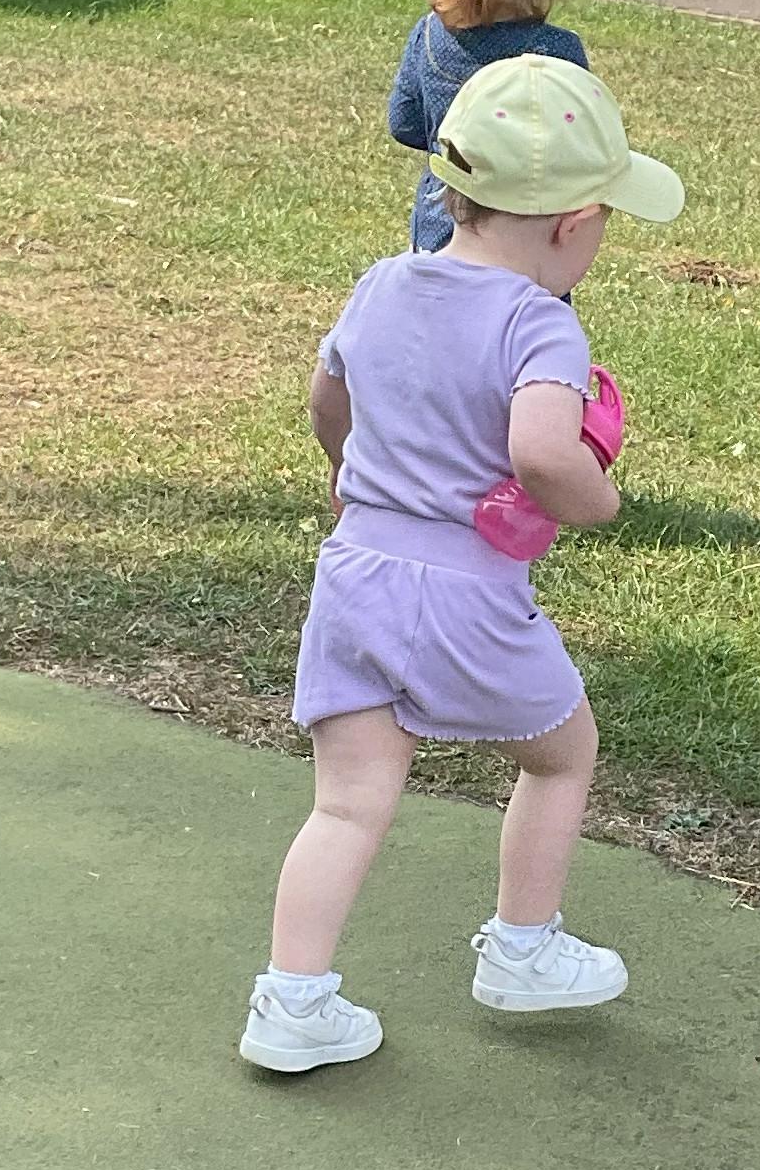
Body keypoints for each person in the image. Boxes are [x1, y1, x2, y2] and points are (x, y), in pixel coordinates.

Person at [242, 55, 682, 1076]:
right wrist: (600, 500)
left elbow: (328, 400)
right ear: (574, 225)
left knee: (347, 803)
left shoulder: (383, 284)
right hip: (465, 594)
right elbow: (542, 453)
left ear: (452, 193)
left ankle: (291, 1002)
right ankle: (523, 947)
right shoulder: (540, 323)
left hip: (355, 576)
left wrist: (349, 473)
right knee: (562, 752)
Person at [386, 0, 592, 252]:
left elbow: (404, 123)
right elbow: (581, 154)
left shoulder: (429, 35)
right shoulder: (557, 53)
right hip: (527, 248)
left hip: (437, 236)